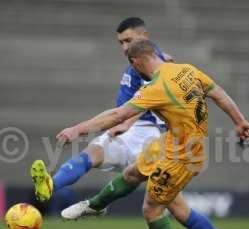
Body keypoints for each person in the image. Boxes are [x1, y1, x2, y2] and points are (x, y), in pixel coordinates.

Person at [58, 40, 249, 229]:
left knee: (152, 208)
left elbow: (119, 114)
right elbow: (219, 94)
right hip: (171, 140)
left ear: (136, 62)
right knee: (132, 174)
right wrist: (240, 121)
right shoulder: (187, 70)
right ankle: (96, 206)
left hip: (183, 155)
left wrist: (77, 129)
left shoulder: (157, 86)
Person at [30, 17, 169, 204]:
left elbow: (151, 98)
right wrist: (81, 127)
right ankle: (50, 185)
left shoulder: (152, 63)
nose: (124, 47)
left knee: (169, 208)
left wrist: (127, 122)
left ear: (144, 36)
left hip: (149, 134)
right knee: (91, 153)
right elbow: (120, 110)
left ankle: (92, 204)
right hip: (128, 128)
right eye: (121, 42)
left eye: (128, 41)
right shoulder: (141, 61)